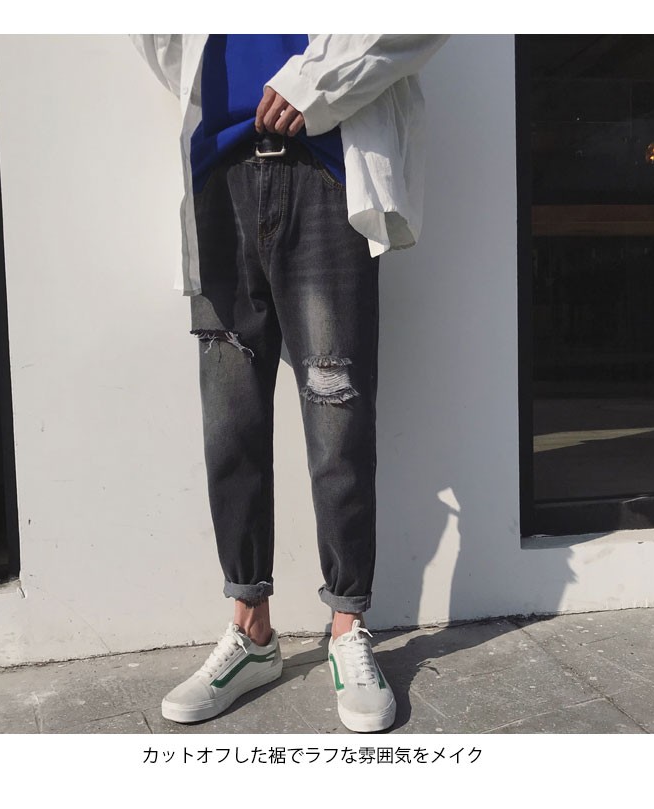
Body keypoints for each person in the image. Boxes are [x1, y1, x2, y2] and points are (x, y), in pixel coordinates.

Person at [130, 33, 448, 732]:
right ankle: (251, 630)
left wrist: (316, 82)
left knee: (337, 422)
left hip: (323, 170)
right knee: (230, 424)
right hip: (218, 174)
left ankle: (347, 626)